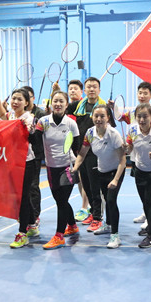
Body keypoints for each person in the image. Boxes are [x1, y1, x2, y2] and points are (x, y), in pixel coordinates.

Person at [72, 105, 126, 248]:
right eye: (96, 116)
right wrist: (75, 167)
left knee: (111, 200)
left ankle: (115, 236)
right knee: (107, 200)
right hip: (102, 170)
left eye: (102, 116)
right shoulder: (90, 133)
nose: (99, 119)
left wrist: (115, 180)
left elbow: (122, 160)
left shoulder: (113, 134)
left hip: (116, 171)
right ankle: (108, 225)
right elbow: (82, 153)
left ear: (108, 118)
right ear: (92, 117)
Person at [0, 88, 39, 248]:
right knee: (21, 196)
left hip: (26, 162)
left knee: (22, 197)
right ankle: (32, 225)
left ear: (26, 103)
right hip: (12, 162)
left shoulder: (29, 118)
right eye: (13, 98)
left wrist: (29, 129)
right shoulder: (11, 116)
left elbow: (33, 139)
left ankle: (22, 234)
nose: (15, 102)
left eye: (19, 99)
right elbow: (2, 115)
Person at [115, 81, 151, 226]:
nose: (142, 96)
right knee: (143, 191)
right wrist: (114, 107)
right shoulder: (133, 112)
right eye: (140, 93)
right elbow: (120, 117)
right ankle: (146, 212)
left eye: (145, 93)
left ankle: (150, 218)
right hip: (137, 156)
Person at [37, 91, 82, 250]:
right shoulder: (43, 122)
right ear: (51, 103)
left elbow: (77, 147)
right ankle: (72, 226)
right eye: (55, 101)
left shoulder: (71, 123)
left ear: (66, 104)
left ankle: (59, 236)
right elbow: (35, 141)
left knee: (62, 201)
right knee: (60, 200)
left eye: (61, 101)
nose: (58, 104)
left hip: (67, 167)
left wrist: (76, 167)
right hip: (51, 167)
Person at [124, 103, 151, 248]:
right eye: (139, 117)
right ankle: (150, 227)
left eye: (145, 116)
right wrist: (126, 148)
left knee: (150, 202)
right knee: (145, 203)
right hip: (140, 170)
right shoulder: (132, 130)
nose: (142, 120)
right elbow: (130, 148)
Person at [73, 77, 111, 232]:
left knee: (96, 188)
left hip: (96, 152)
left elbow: (112, 125)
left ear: (99, 90)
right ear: (85, 90)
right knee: (86, 186)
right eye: (89, 86)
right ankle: (92, 212)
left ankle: (97, 218)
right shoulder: (79, 106)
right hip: (82, 151)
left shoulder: (104, 107)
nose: (91, 89)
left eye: (94, 86)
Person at [65, 79, 91, 221]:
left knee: (85, 179)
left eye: (76, 88)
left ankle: (84, 208)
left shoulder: (84, 106)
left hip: (85, 148)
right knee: (80, 180)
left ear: (82, 92)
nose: (73, 91)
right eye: (70, 89)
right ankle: (87, 207)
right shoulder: (68, 108)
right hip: (71, 149)